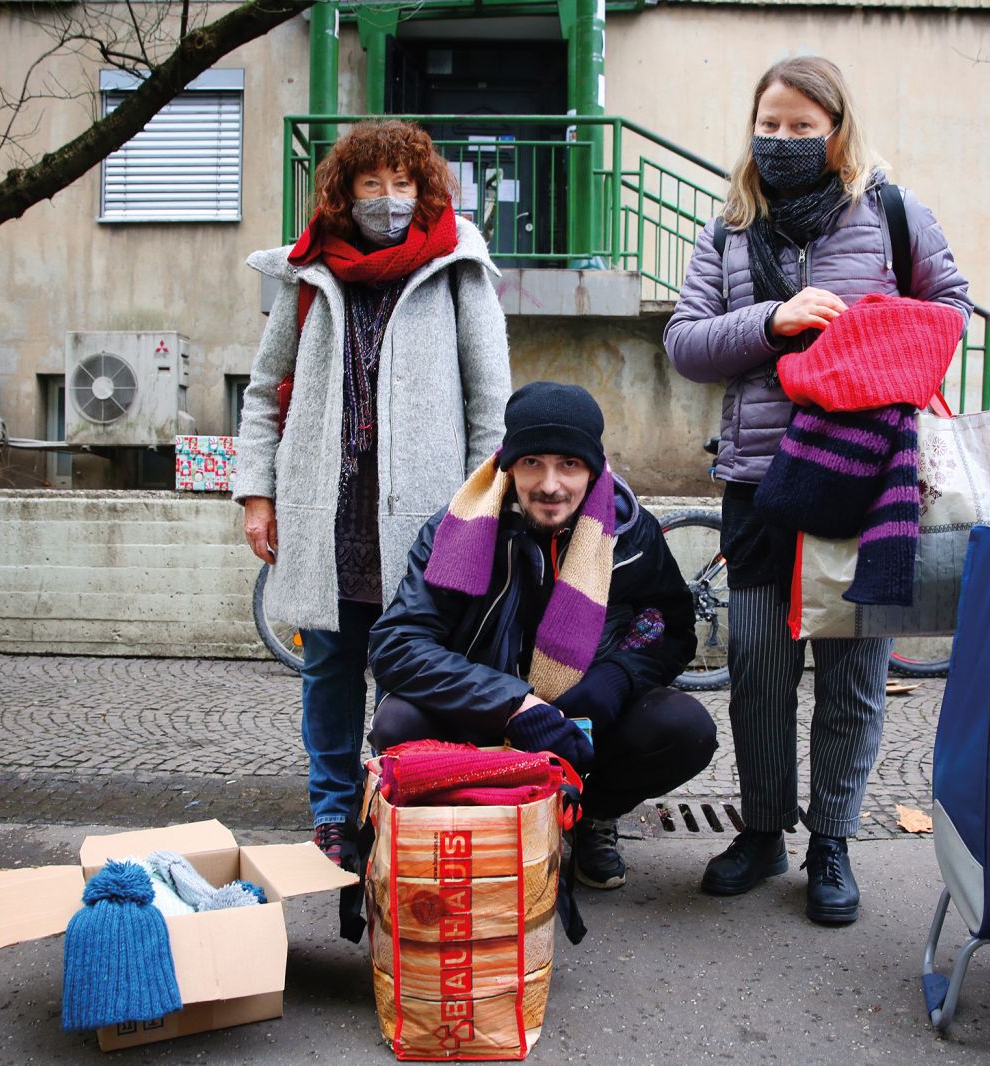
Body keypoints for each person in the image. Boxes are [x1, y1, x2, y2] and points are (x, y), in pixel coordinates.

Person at [664, 56, 971, 924]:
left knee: (852, 676)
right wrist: (776, 319)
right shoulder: (726, 230)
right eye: (773, 124)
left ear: (837, 130)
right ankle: (762, 831)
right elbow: (685, 344)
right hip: (761, 482)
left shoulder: (894, 214)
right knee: (759, 666)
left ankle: (831, 842)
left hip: (868, 479)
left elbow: (950, 312)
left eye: (805, 125)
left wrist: (865, 340)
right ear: (752, 127)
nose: (786, 140)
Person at [234, 120, 511, 864]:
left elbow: (490, 405)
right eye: (371, 185)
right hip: (324, 508)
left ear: (423, 192)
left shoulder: (458, 267)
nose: (388, 200)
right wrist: (256, 494)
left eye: (402, 184)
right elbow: (264, 394)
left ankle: (404, 800)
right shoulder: (309, 273)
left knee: (413, 668)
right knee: (327, 668)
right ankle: (331, 813)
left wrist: (483, 511)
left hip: (426, 518)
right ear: (345, 192)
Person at [366, 381, 718, 889]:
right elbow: (398, 643)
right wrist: (511, 704)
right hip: (482, 713)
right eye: (533, 462)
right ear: (508, 465)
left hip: (582, 715)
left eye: (568, 465)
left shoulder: (630, 531)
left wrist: (618, 677)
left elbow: (667, 626)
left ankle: (593, 816)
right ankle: (474, 824)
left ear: (593, 469)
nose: (550, 485)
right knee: (397, 721)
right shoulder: (457, 527)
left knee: (686, 728)